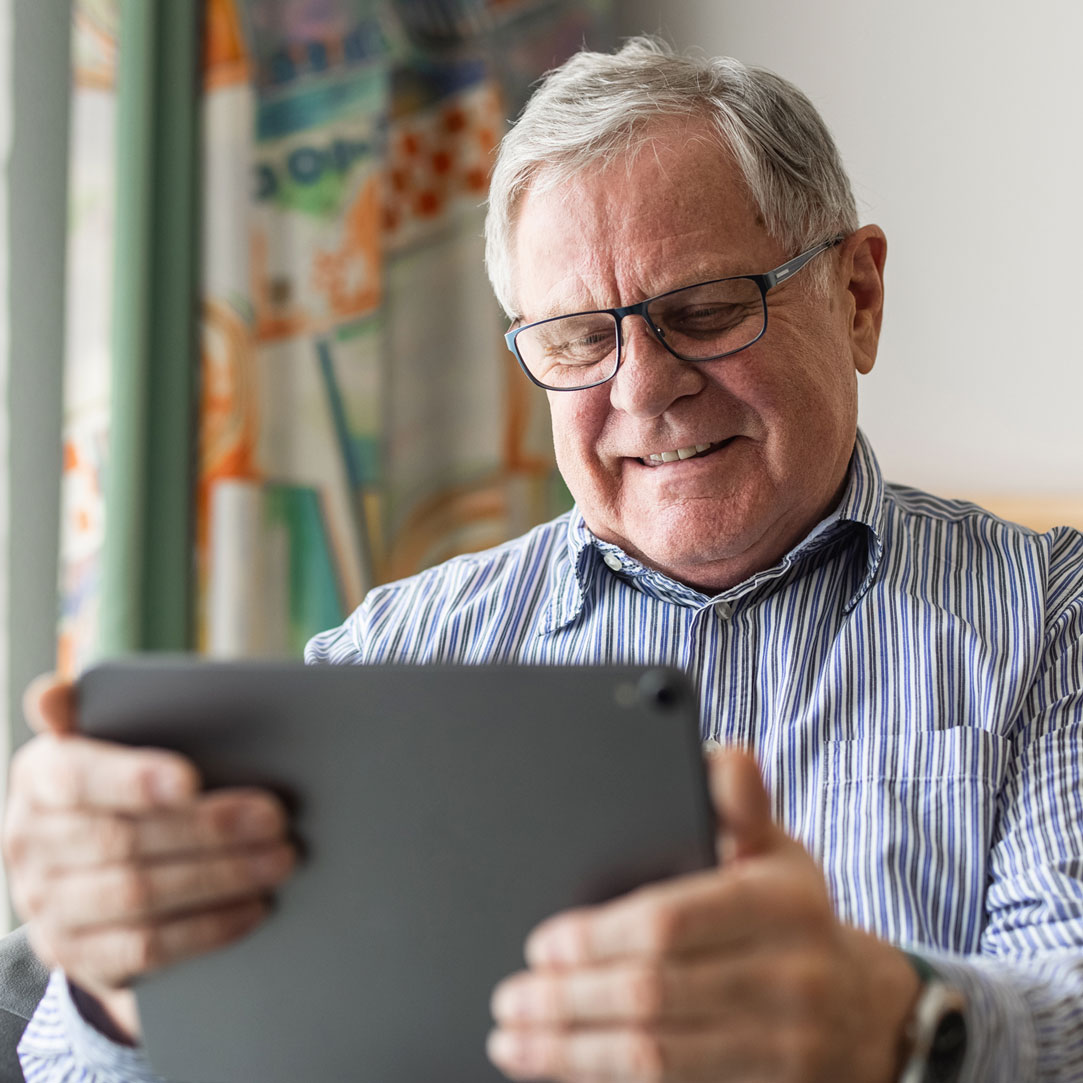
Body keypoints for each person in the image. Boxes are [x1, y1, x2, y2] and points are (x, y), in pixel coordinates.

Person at [4, 35, 1082, 1083]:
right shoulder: (399, 655)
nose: (643, 387)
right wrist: (123, 989)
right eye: (576, 339)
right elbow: (65, 1064)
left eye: (704, 312)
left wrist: (901, 1028)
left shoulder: (1048, 615)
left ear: (857, 298)